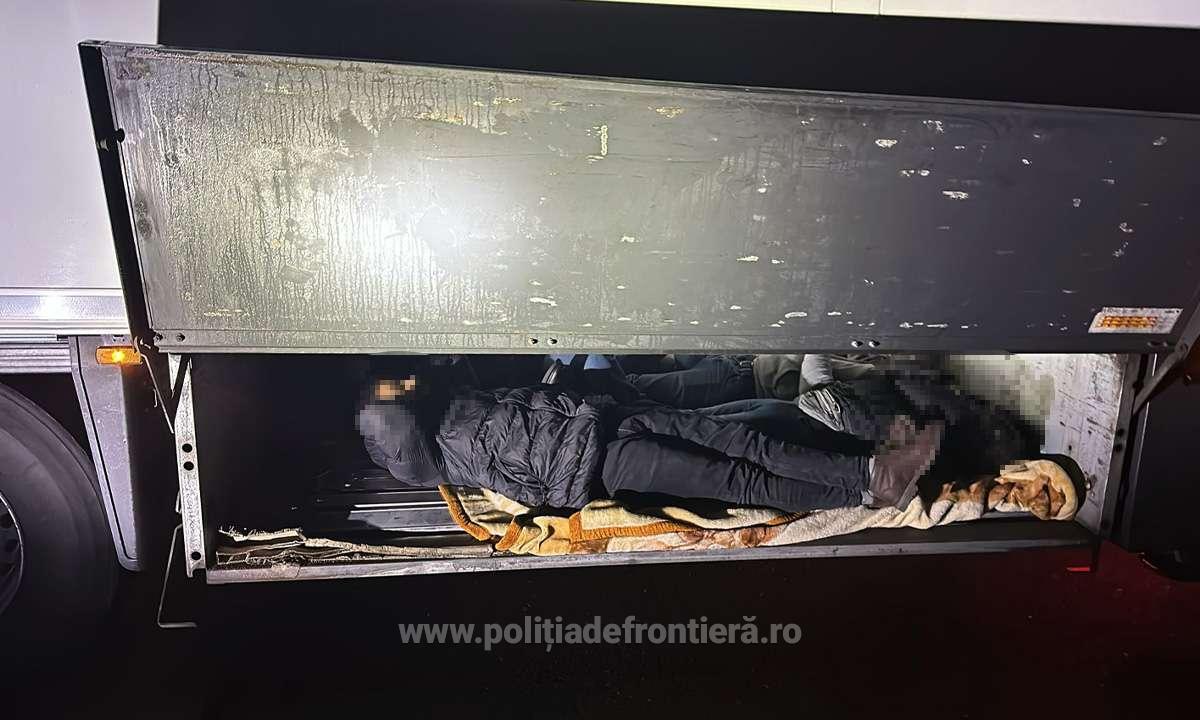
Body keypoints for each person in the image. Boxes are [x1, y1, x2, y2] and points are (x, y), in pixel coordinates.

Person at [357, 372, 945, 514]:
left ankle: (873, 474)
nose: (403, 383)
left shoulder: (456, 405)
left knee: (741, 440)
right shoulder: (439, 445)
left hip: (608, 421)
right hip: (602, 462)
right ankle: (868, 486)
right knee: (739, 478)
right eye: (392, 389)